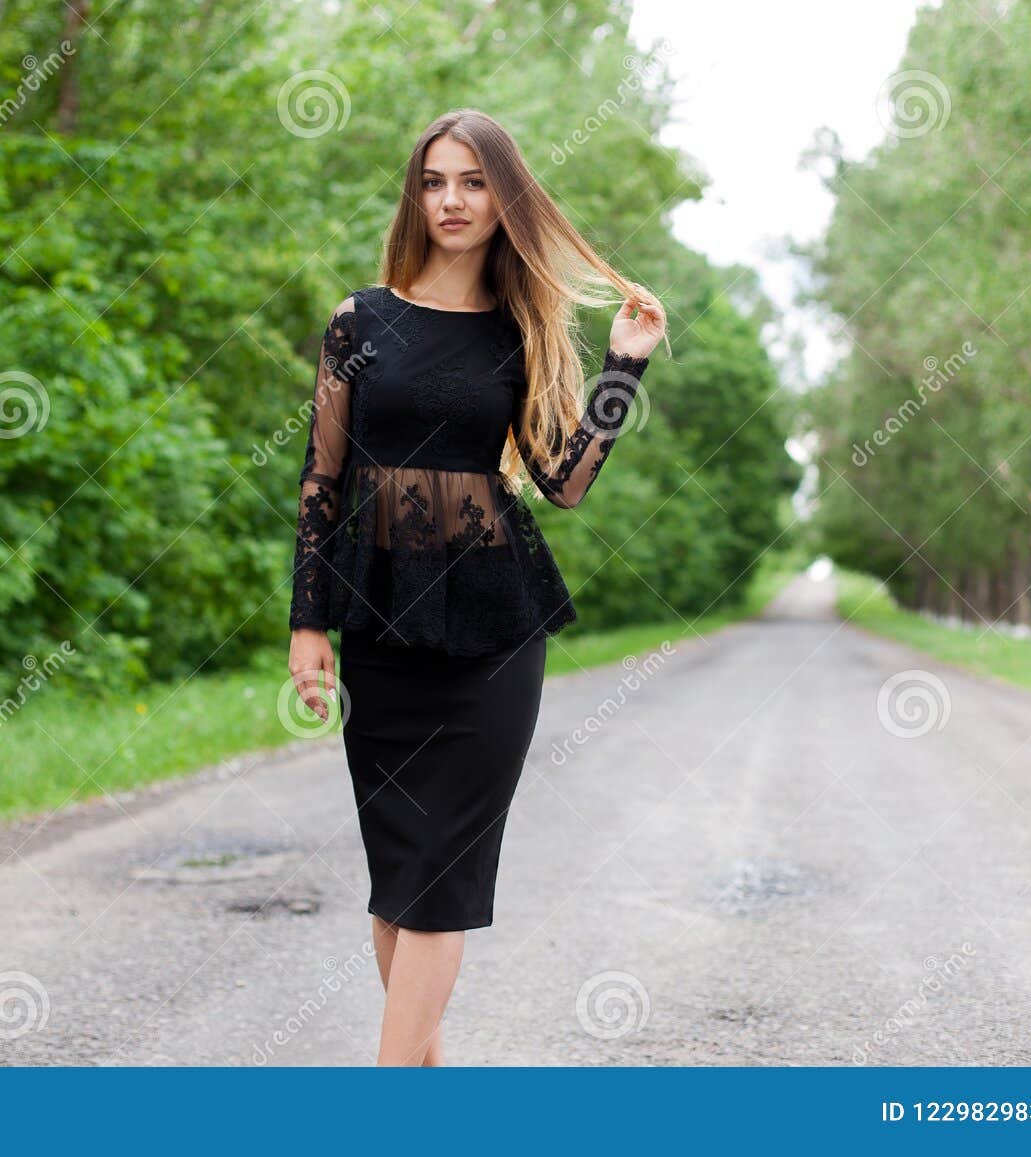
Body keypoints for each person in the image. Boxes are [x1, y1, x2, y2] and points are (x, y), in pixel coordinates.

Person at [286, 108, 667, 1066]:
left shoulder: (522, 329)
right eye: (434, 182)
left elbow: (566, 481)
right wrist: (308, 624)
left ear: (505, 197)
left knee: (442, 875)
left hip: (496, 625)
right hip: (378, 619)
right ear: (416, 196)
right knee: (397, 875)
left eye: (473, 182)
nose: (452, 200)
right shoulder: (358, 321)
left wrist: (622, 366)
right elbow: (321, 479)